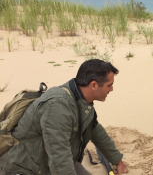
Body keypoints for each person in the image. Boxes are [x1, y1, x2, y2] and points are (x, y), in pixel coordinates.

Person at [0, 59, 129, 175]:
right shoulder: (58, 107)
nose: (111, 89)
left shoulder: (81, 100)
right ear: (94, 85)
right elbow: (59, 158)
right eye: (109, 85)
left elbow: (96, 131)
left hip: (51, 163)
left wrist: (118, 161)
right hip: (25, 168)